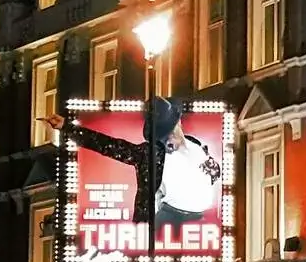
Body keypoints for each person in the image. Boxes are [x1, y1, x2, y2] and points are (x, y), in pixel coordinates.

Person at [50, 98, 223, 230]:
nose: (168, 138)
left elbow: (214, 173)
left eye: (170, 130)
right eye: (162, 134)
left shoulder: (197, 145)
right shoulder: (150, 153)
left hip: (201, 223)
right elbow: (109, 146)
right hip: (168, 222)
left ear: (179, 122)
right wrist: (68, 128)